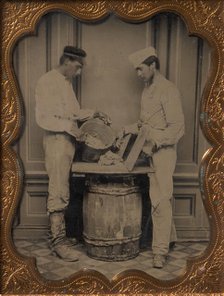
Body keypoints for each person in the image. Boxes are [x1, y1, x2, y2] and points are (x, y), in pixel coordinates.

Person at [35, 45, 109, 262]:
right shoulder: (46, 81)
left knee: (67, 187)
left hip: (69, 142)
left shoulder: (66, 84)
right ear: (67, 61)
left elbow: (73, 114)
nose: (79, 72)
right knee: (58, 189)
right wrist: (69, 128)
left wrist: (94, 113)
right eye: (77, 67)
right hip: (56, 141)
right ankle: (58, 242)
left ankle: (63, 236)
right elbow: (43, 118)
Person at [121, 46, 185, 268]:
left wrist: (156, 142)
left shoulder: (168, 89)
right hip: (149, 151)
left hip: (164, 153)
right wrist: (127, 129)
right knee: (158, 197)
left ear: (152, 66)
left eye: (140, 69)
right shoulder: (147, 90)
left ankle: (160, 252)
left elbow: (178, 127)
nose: (138, 74)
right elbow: (144, 124)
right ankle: (170, 238)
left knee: (160, 200)